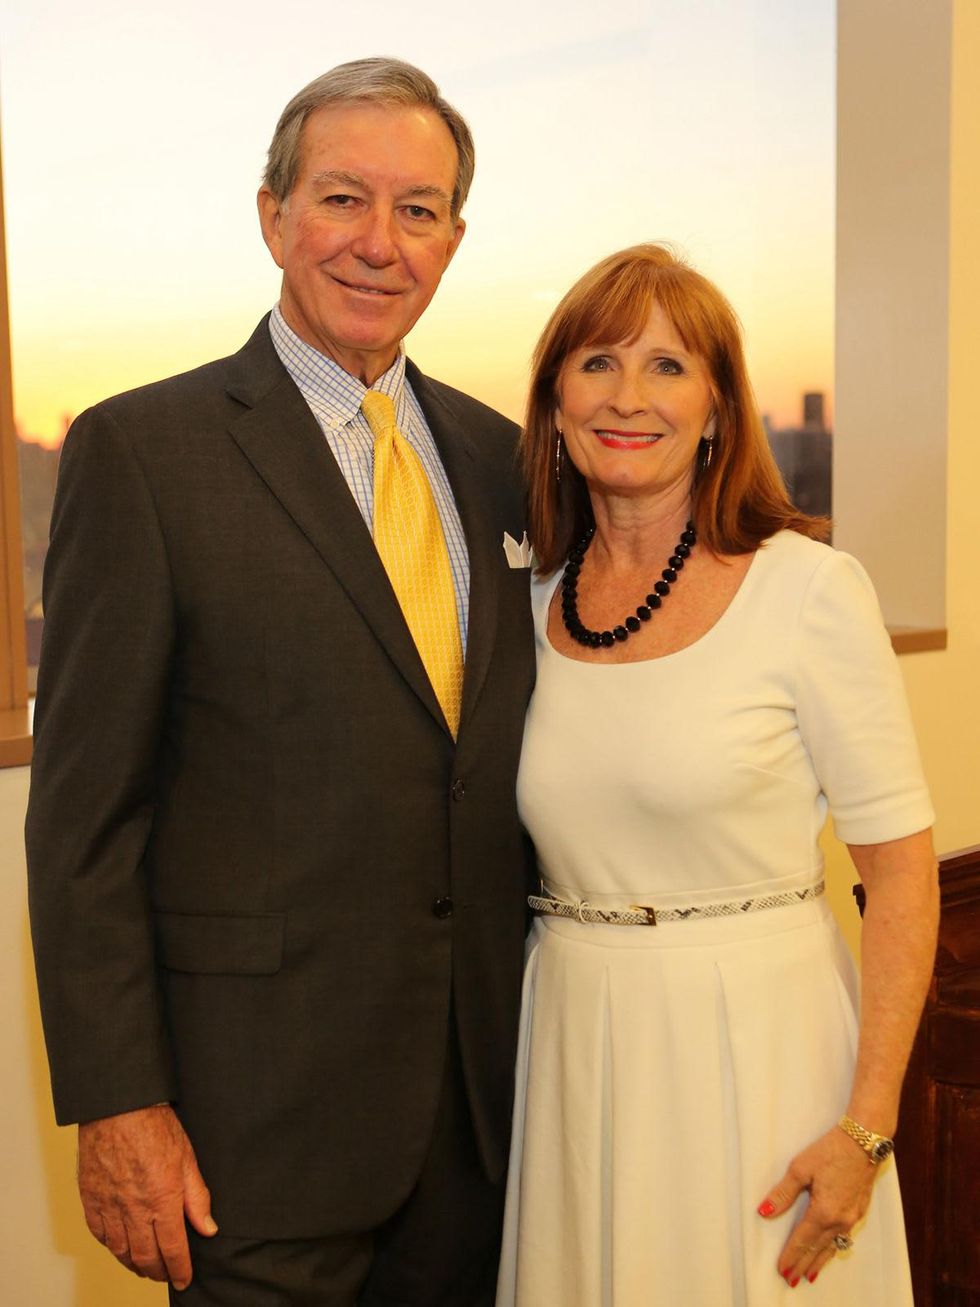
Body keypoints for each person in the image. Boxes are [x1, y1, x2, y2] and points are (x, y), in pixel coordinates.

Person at [26, 58, 535, 1306]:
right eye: (341, 198)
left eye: (417, 210)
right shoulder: (145, 452)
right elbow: (86, 823)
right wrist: (119, 1102)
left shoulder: (503, 457)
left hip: (482, 1121)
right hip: (247, 1134)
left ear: (454, 240)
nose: (379, 242)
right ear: (272, 216)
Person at [495, 243, 938, 1305]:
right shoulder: (527, 605)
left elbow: (903, 875)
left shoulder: (808, 589)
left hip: (763, 1049)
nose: (628, 397)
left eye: (667, 366)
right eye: (597, 363)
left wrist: (866, 1127)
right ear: (554, 403)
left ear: (717, 407)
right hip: (570, 1040)